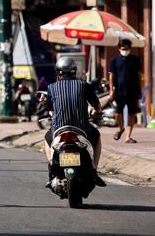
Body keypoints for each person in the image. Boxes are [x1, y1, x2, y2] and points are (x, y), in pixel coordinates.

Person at [42, 57, 105, 187]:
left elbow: (50, 109)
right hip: (81, 128)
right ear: (74, 70)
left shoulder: (51, 87)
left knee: (46, 140)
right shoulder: (84, 85)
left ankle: (51, 167)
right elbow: (98, 107)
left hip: (59, 128)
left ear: (58, 71)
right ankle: (94, 169)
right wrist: (95, 112)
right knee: (97, 137)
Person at [109, 39, 142, 143]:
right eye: (123, 49)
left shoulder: (135, 60)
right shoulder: (114, 60)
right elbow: (111, 76)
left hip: (133, 91)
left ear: (130, 48)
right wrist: (111, 90)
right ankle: (120, 128)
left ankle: (128, 136)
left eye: (127, 49)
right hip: (119, 91)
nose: (125, 50)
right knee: (118, 113)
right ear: (119, 49)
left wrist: (139, 91)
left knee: (132, 113)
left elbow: (139, 76)